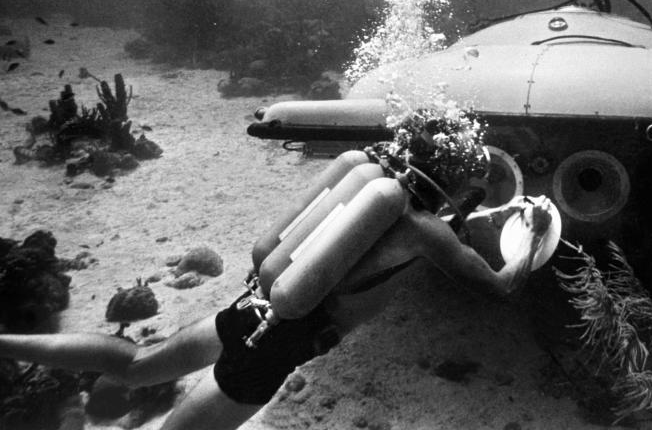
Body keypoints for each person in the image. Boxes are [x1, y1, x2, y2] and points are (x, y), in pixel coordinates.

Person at [0, 142, 554, 430]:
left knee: (137, 362)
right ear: (453, 180)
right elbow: (501, 285)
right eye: (471, 187)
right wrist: (531, 233)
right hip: (278, 345)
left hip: (254, 305)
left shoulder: (381, 193)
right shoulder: (426, 232)